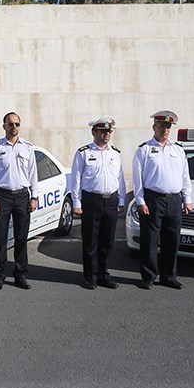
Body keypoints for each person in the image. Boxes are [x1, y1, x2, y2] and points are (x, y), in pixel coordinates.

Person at [132, 110, 193, 290]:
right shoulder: (144, 150)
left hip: (174, 200)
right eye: (161, 126)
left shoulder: (178, 150)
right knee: (150, 239)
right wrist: (140, 201)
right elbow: (138, 179)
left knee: (172, 240)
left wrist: (187, 199)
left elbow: (185, 176)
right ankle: (148, 276)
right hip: (153, 199)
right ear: (154, 127)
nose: (165, 130)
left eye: (167, 127)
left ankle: (168, 276)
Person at [70, 116, 126, 290]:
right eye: (103, 131)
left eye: (109, 131)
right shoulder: (84, 152)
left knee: (107, 241)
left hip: (111, 200)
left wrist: (121, 199)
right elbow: (76, 179)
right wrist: (76, 203)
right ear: (94, 132)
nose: (107, 134)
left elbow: (120, 178)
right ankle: (90, 277)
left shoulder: (115, 153)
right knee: (91, 241)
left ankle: (103, 275)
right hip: (91, 201)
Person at [0, 112, 39, 291]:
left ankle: (20, 276)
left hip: (23, 196)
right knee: (0, 239)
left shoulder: (28, 148)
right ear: (4, 127)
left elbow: (33, 174)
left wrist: (34, 197)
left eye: (17, 124)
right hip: (2, 196)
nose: (14, 127)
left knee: (21, 238)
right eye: (10, 124)